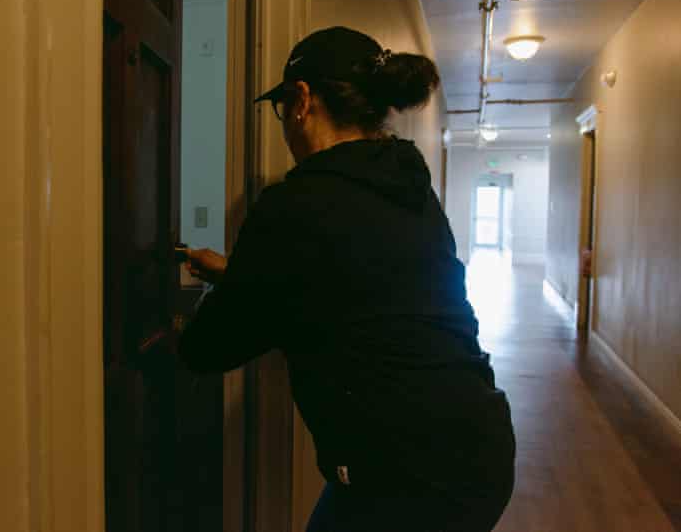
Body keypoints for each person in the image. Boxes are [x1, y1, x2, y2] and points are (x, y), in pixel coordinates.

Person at [178, 27, 515, 532]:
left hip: (404, 478)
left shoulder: (295, 205)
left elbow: (209, 348)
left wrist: (175, 324)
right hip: (479, 444)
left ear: (302, 101)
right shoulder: (407, 183)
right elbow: (359, 278)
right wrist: (240, 271)